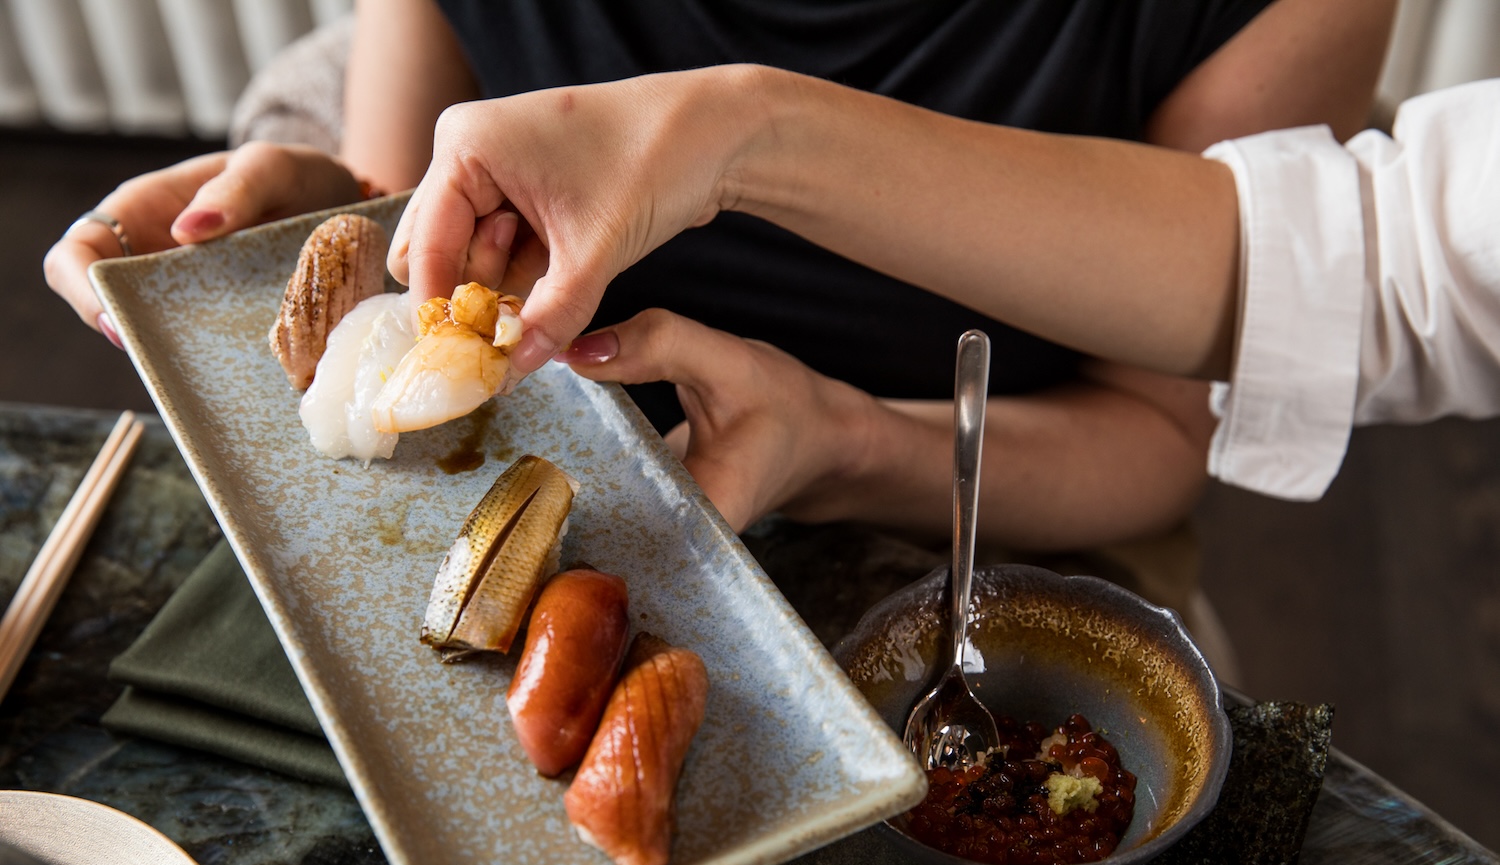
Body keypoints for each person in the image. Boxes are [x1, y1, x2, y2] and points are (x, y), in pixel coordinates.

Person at [45, 0, 1396, 560]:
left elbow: (1160, 431)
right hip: (541, 504)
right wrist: (325, 223)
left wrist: (842, 443)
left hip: (956, 512)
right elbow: (420, 245)